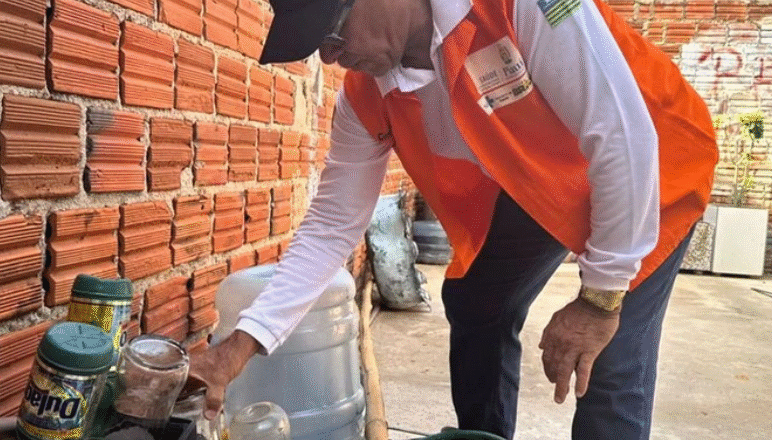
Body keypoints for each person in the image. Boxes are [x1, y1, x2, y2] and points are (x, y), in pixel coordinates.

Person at [189, 0, 718, 438]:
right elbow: (330, 227)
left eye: (331, 34)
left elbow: (623, 137)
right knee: (477, 303)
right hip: (543, 182)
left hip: (650, 173)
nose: (330, 59)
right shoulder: (367, 95)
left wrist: (599, 300)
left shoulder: (520, 6)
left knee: (607, 360)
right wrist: (239, 347)